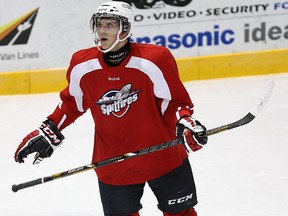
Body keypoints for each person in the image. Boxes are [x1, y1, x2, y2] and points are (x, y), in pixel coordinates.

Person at [14, 1, 208, 216]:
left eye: (109, 24)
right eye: (99, 25)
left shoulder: (154, 59)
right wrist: (50, 130)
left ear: (125, 29)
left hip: (162, 155)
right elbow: (72, 104)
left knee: (181, 213)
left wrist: (185, 123)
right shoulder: (82, 64)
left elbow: (174, 104)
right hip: (114, 162)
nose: (102, 30)